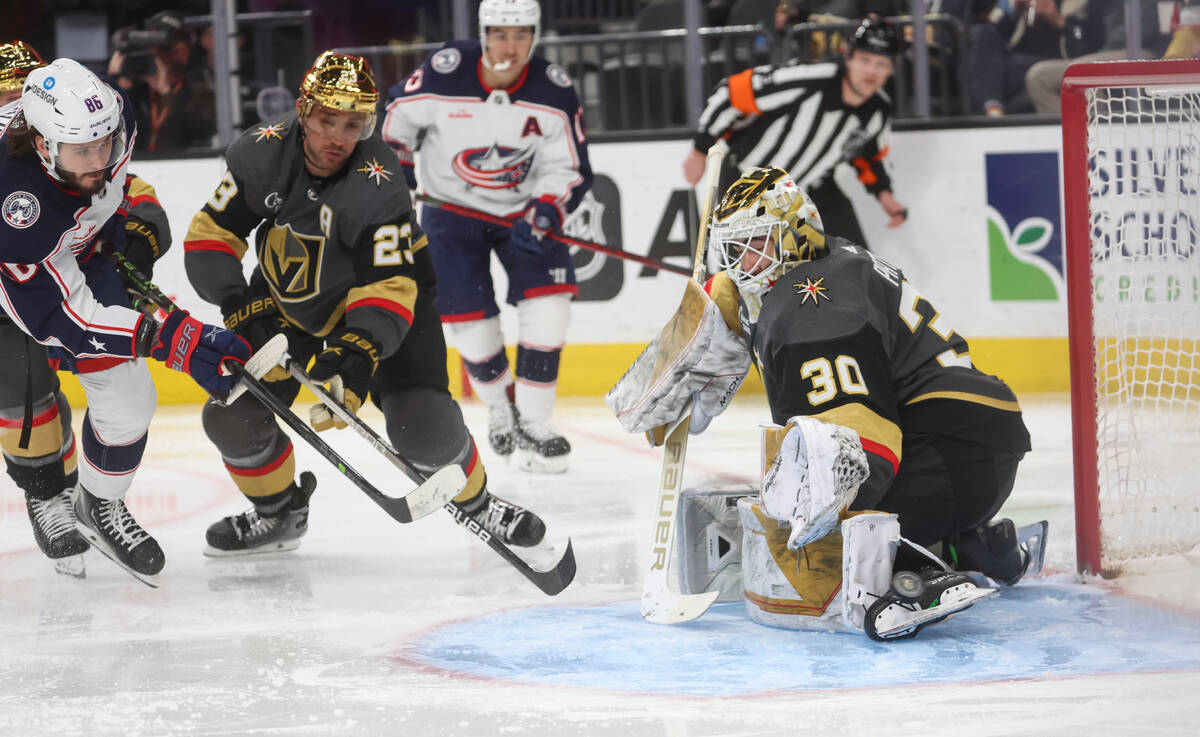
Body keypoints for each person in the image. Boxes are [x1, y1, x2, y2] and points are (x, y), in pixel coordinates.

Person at [182, 50, 549, 556]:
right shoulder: (260, 152)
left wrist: (356, 354)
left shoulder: (380, 182)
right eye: (326, 120)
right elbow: (211, 237)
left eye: (353, 124)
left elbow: (389, 285)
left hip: (390, 304)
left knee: (423, 433)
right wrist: (240, 302)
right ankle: (279, 513)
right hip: (288, 300)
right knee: (232, 415)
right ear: (303, 110)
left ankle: (481, 503)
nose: (336, 136)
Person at [0, 57, 251, 581]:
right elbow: (59, 317)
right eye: (81, 151)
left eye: (103, 145)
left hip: (65, 254)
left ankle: (98, 504)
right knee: (15, 387)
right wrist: (167, 340)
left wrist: (123, 229)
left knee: (133, 402)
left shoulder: (115, 114)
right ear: (44, 146)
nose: (98, 158)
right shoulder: (15, 202)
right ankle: (46, 494)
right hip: (25, 276)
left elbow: (115, 187)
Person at [382, 0, 593, 474]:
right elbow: (393, 122)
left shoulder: (553, 90)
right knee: (470, 322)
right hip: (450, 215)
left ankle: (535, 424)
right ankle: (501, 408)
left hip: (526, 214)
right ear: (483, 33)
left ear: (535, 36)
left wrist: (545, 208)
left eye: (521, 35)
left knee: (550, 311)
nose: (510, 46)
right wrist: (403, 175)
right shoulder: (444, 73)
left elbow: (571, 166)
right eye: (499, 34)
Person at [684, 15, 907, 251]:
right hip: (749, 182)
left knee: (857, 262)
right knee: (745, 269)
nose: (871, 71)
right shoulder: (809, 80)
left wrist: (884, 195)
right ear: (848, 57)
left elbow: (866, 153)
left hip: (809, 188)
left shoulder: (878, 111)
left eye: (881, 64)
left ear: (890, 70)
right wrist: (699, 150)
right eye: (865, 60)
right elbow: (731, 93)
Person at [107, 10, 216, 152]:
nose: (168, 53)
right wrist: (115, 86)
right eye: (159, 47)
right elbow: (113, 136)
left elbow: (199, 132)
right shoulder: (136, 89)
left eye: (174, 44)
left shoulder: (199, 85)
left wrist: (168, 96)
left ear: (189, 46)